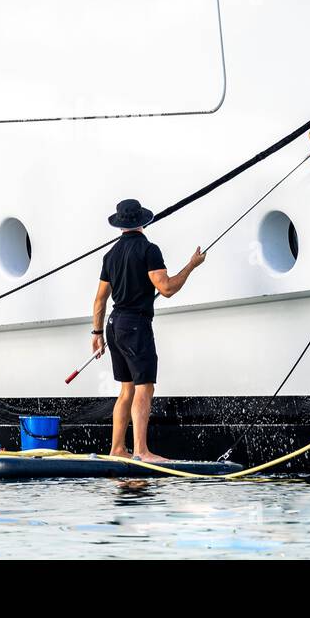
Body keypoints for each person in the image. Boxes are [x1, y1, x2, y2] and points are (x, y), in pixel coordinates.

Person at [91, 198, 205, 462]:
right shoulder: (149, 250)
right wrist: (191, 266)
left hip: (113, 324)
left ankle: (117, 449)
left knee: (126, 388)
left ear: (120, 225)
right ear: (142, 221)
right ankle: (142, 451)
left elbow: (100, 299)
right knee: (144, 387)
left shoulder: (110, 255)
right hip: (134, 326)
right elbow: (166, 288)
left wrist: (96, 334)